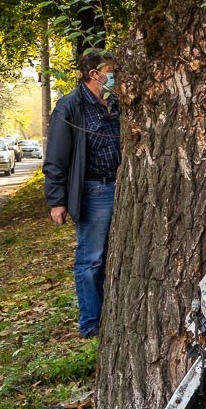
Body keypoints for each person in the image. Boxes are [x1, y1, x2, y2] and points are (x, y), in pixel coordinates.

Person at [43, 49, 120, 339]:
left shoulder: (115, 104)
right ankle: (91, 323)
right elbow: (56, 157)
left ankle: (108, 313)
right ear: (93, 75)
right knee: (91, 259)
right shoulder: (70, 107)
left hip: (120, 187)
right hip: (93, 190)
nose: (114, 76)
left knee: (115, 256)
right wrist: (57, 201)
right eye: (110, 71)